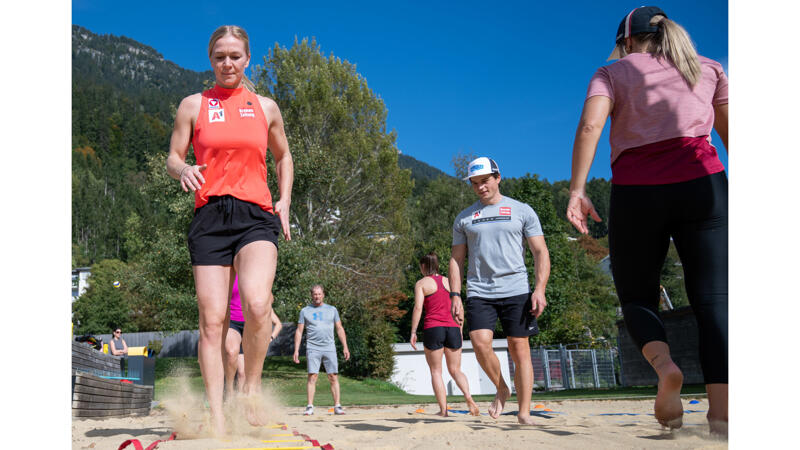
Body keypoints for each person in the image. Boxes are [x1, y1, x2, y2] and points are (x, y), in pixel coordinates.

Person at [565, 6, 728, 435]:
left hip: (638, 192)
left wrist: (577, 191)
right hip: (704, 186)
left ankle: (666, 367)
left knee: (637, 297)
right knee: (715, 301)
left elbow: (589, 127)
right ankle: (722, 415)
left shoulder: (612, 72)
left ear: (628, 40)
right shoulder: (708, 68)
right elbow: (733, 132)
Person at [165, 24, 294, 434]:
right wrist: (183, 168)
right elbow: (172, 156)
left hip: (256, 216)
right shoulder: (193, 105)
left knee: (258, 304)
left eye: (235, 56)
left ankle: (250, 387)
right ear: (210, 60)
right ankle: (218, 415)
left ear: (247, 59)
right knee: (212, 319)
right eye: (219, 56)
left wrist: (284, 201)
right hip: (210, 219)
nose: (227, 63)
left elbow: (284, 157)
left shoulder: (266, 107)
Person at [449, 157, 551, 425]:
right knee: (481, 344)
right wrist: (455, 295)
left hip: (516, 289)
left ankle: (524, 411)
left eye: (485, 181)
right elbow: (456, 259)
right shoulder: (464, 218)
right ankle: (502, 387)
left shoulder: (522, 211)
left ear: (497, 178)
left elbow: (540, 252)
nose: (481, 187)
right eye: (475, 183)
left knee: (520, 349)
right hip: (480, 290)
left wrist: (539, 289)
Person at [410, 252, 479, 417]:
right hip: (453, 328)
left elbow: (418, 308)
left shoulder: (422, 283)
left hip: (433, 328)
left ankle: (444, 411)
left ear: (424, 266)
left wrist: (413, 331)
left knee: (436, 371)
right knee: (456, 369)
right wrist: (460, 330)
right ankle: (469, 398)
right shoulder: (450, 282)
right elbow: (459, 308)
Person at [292, 285, 350, 416]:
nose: (317, 296)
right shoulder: (305, 311)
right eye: (315, 294)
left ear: (323, 295)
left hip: (329, 347)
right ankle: (309, 406)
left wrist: (345, 346)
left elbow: (339, 328)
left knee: (333, 376)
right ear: (311, 295)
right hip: (313, 347)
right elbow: (299, 331)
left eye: (319, 294)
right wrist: (296, 350)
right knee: (312, 376)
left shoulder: (332, 310)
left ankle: (337, 406)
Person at [224, 274, 283, 395]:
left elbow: (278, 322)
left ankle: (246, 402)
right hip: (232, 322)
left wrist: (270, 338)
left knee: (244, 373)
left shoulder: (254, 275)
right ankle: (228, 392)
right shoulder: (228, 275)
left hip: (250, 326)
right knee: (231, 353)